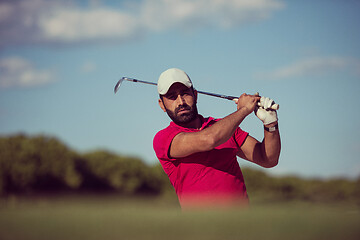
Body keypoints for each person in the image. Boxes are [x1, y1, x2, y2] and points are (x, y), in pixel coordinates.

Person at [153, 68, 281, 210]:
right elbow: (209, 139)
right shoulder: (164, 138)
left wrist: (271, 124)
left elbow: (268, 159)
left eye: (185, 93)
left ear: (195, 95)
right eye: (172, 97)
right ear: (161, 105)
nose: (180, 102)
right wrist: (243, 110)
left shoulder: (225, 128)